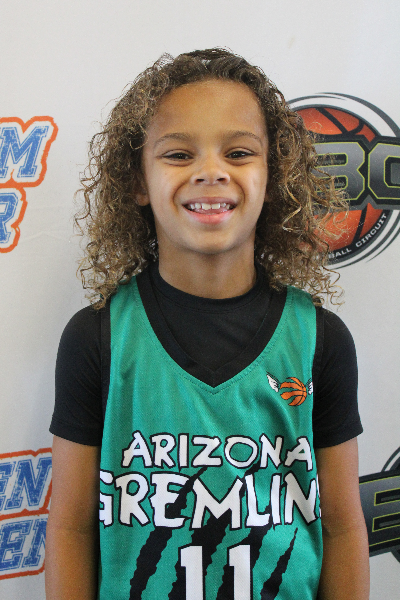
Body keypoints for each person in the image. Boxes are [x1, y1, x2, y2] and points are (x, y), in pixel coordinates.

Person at [45, 49, 369, 599]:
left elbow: (341, 526)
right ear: (138, 181)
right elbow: (72, 528)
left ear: (274, 177)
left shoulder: (319, 340)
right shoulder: (98, 337)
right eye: (178, 154)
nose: (211, 171)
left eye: (239, 152)